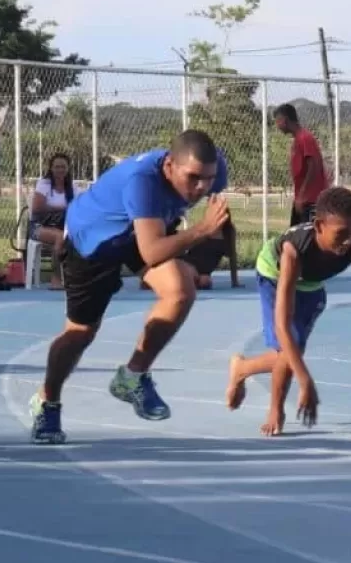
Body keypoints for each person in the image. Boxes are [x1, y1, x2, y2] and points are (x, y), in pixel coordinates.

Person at [28, 130, 231, 444]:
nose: (201, 187)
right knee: (79, 334)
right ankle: (47, 401)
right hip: (92, 242)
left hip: (139, 232)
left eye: (208, 178)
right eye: (192, 178)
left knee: (181, 291)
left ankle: (132, 376)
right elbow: (153, 251)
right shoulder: (142, 181)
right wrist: (202, 229)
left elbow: (211, 224)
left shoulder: (211, 172)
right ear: (168, 166)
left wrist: (204, 255)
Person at [224, 187, 351, 436]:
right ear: (318, 226)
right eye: (341, 234)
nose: (348, 240)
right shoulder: (293, 253)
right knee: (290, 348)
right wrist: (305, 380)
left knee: (292, 352)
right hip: (274, 276)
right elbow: (282, 326)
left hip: (311, 285)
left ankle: (242, 368)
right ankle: (275, 409)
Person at [28, 152, 81, 289]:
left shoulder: (73, 188)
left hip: (64, 226)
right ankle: (55, 279)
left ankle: (79, 278)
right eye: (57, 167)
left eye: (63, 166)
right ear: (51, 168)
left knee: (81, 236)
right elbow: (37, 207)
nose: (60, 170)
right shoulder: (44, 184)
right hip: (39, 227)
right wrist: (61, 208)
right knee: (60, 237)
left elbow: (79, 207)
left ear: (68, 168)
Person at [273, 103, 329, 226]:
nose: (277, 126)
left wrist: (302, 196)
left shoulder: (305, 138)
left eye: (277, 121)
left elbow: (313, 166)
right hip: (302, 200)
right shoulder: (298, 139)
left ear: (285, 120)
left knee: (308, 239)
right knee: (295, 237)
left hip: (311, 201)